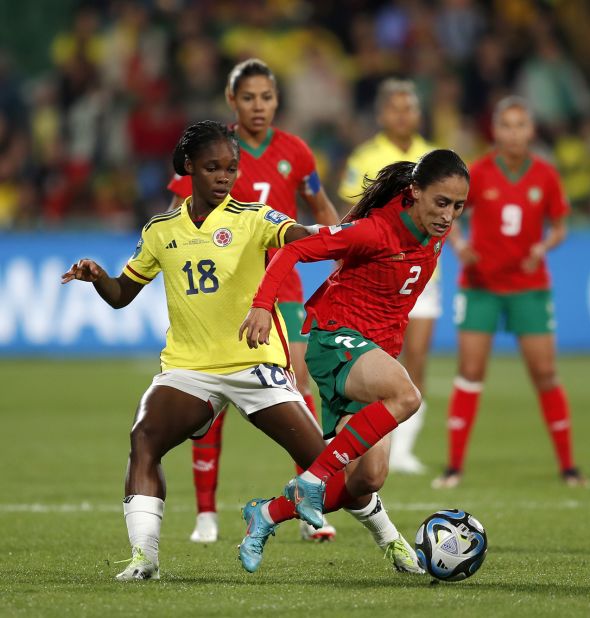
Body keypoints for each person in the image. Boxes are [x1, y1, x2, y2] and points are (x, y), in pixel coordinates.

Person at [62, 121, 419, 581]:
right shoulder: (160, 230)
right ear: (189, 168)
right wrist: (98, 277)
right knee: (144, 439)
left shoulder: (256, 218)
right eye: (213, 168)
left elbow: (305, 235)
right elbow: (121, 295)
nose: (224, 177)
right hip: (189, 369)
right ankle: (144, 559)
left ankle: (392, 541)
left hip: (256, 364)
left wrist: (353, 230)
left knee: (327, 469)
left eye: (231, 168)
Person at [238, 149, 469, 567]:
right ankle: (310, 478)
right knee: (407, 396)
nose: (449, 215)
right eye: (441, 202)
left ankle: (267, 514)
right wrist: (260, 304)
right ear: (415, 193)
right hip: (336, 339)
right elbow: (294, 251)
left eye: (458, 206)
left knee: (367, 479)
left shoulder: (433, 228)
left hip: (374, 354)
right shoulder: (373, 231)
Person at [167, 58, 340, 543]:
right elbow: (178, 211)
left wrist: (341, 249)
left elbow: (319, 206)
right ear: (232, 100)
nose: (258, 106)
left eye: (266, 97)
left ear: (277, 100)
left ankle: (311, 506)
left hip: (284, 290)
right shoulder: (213, 150)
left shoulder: (296, 152)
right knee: (212, 396)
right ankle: (206, 513)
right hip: (226, 294)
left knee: (296, 393)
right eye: (249, 98)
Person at [431, 97, 589, 490]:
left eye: (521, 125)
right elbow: (448, 216)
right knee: (470, 373)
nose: (514, 133)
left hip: (528, 288)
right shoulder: (478, 172)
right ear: (495, 131)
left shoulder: (546, 175)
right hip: (481, 286)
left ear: (531, 131)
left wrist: (543, 247)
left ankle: (569, 467)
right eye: (507, 126)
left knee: (545, 373)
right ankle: (453, 467)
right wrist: (459, 245)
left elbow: (559, 227)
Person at [338, 78, 437, 474]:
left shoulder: (434, 156)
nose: (403, 114)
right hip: (375, 277)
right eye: (395, 108)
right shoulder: (364, 157)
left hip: (422, 273)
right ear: (381, 114)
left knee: (417, 358)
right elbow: (352, 214)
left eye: (409, 107)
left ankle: (404, 449)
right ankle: (374, 440)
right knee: (379, 362)